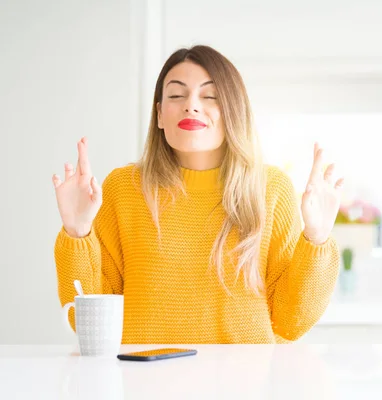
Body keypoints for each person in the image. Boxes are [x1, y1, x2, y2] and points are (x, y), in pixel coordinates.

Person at [52, 45, 344, 344]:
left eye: (210, 96)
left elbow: (290, 323)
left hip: (244, 385)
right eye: (176, 95)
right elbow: (83, 321)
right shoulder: (123, 188)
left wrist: (316, 238)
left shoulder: (271, 189)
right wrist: (77, 232)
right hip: (143, 382)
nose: (191, 105)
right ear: (160, 115)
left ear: (233, 111)